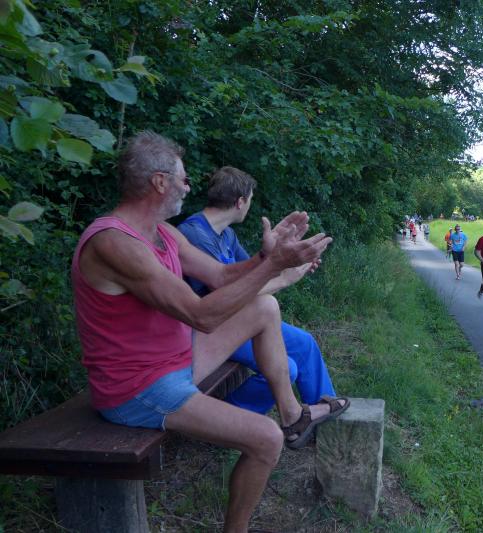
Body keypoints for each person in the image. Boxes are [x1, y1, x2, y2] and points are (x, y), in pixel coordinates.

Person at [71, 131, 347, 532]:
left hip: (175, 362)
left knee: (264, 307)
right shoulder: (115, 243)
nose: (189, 187)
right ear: (159, 182)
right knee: (265, 440)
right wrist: (274, 267)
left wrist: (266, 255)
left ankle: (293, 415)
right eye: (183, 179)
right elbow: (200, 315)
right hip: (137, 387)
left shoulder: (164, 232)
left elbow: (219, 275)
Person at [178, 166, 337, 417]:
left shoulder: (226, 235)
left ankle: (328, 417)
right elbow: (231, 294)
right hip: (213, 330)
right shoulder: (194, 235)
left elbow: (256, 275)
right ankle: (228, 417)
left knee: (305, 344)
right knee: (288, 368)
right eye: (250, 199)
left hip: (239, 316)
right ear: (240, 202)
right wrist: (285, 278)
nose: (249, 206)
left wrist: (286, 259)